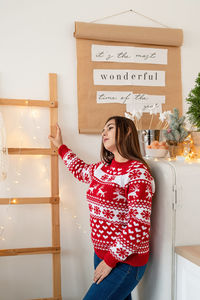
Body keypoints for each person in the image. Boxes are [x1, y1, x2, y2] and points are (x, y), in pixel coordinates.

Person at [48, 115, 155, 300]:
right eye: (103, 129)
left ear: (127, 131)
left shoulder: (137, 172)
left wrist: (110, 261)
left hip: (125, 261)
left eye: (110, 128)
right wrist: (61, 147)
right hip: (101, 254)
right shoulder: (102, 169)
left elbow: (139, 225)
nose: (104, 132)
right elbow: (80, 170)